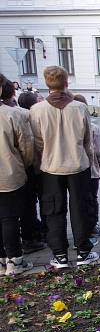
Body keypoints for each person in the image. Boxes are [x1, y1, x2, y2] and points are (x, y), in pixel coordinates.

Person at [30, 66, 98, 269]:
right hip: (78, 165)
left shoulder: (37, 110)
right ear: (66, 82)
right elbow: (87, 141)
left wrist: (42, 159)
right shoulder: (79, 108)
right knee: (80, 208)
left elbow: (37, 141)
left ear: (46, 83)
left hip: (51, 166)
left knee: (53, 210)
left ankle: (59, 255)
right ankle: (83, 251)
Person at [0, 78, 42, 253]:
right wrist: (24, 166)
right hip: (9, 173)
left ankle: (2, 258)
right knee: (10, 215)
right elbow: (26, 146)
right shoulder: (12, 114)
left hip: (10, 171)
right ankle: (14, 257)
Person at [74, 94, 100, 242]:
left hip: (74, 170)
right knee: (92, 198)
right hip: (91, 168)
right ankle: (92, 227)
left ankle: (80, 231)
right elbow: (97, 149)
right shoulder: (93, 127)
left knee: (78, 201)